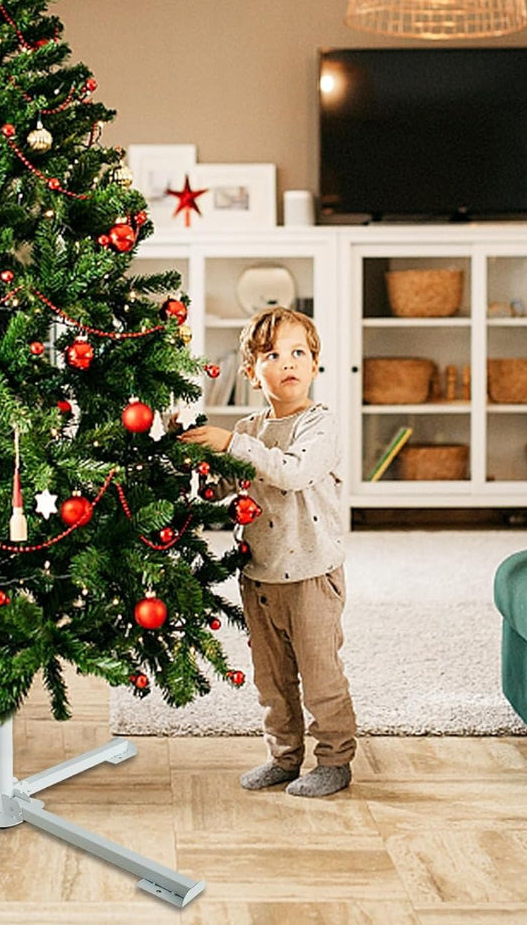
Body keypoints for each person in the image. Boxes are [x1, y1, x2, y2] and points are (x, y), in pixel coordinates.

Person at [180, 306, 356, 797]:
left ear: (315, 364)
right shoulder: (251, 428)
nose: (288, 363)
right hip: (260, 574)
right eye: (272, 355)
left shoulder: (321, 425)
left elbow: (291, 471)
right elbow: (224, 488)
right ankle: (283, 756)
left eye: (299, 352)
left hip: (311, 574)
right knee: (272, 679)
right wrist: (199, 464)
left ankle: (335, 760)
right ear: (252, 373)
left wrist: (232, 442)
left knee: (320, 673)